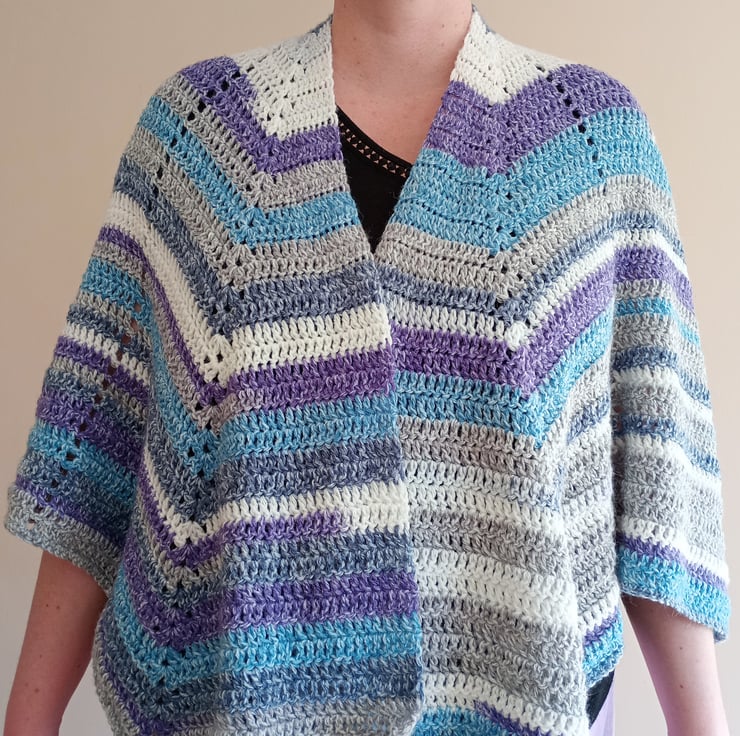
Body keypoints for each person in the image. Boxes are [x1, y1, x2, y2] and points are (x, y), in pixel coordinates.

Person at [3, 1, 731, 735]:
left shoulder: (593, 140)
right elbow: (96, 451)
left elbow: (659, 467)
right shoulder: (198, 133)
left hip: (523, 696)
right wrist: (28, 719)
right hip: (240, 700)